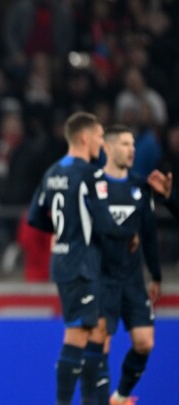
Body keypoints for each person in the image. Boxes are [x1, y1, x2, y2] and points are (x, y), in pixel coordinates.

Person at [27, 112, 137, 405]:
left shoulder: (53, 172)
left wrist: (63, 232)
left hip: (68, 260)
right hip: (81, 263)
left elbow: (35, 216)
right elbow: (104, 222)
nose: (102, 143)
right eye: (100, 137)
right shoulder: (89, 175)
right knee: (78, 332)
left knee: (96, 331)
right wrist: (129, 233)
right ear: (85, 138)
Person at [85, 125, 161, 405]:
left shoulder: (140, 186)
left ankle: (120, 397)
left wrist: (155, 274)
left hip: (132, 279)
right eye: (125, 144)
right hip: (102, 278)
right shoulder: (92, 185)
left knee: (144, 342)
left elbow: (149, 233)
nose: (132, 150)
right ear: (108, 147)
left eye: (133, 145)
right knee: (100, 342)